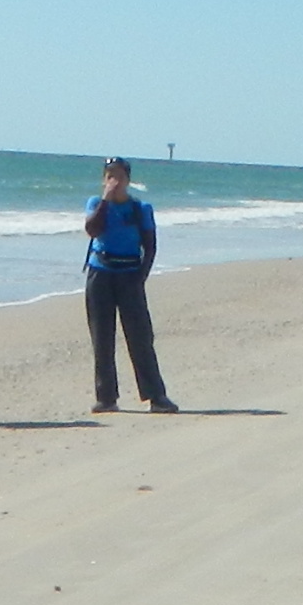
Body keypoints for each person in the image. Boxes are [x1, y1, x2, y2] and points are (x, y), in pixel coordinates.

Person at [82, 157, 178, 413]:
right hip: (100, 273)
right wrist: (105, 199)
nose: (115, 180)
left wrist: (141, 276)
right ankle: (106, 397)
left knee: (140, 337)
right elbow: (92, 230)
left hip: (130, 275)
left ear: (128, 179)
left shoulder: (141, 208)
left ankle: (156, 396)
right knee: (101, 337)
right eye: (110, 175)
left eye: (120, 176)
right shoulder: (95, 203)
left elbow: (150, 245)